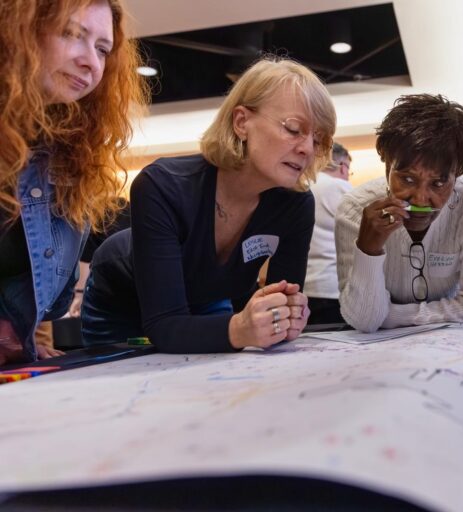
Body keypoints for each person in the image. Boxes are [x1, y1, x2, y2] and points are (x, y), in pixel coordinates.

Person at [81, 57, 336, 352]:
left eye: (318, 140)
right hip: (120, 302)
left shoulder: (295, 205)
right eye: (293, 129)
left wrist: (287, 316)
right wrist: (243, 327)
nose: (307, 149)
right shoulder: (162, 186)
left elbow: (280, 305)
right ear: (241, 122)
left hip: (206, 300)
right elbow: (165, 325)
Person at [0, 0, 146, 364]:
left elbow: (41, 292)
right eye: (72, 34)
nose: (91, 62)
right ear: (19, 31)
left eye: (102, 49)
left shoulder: (69, 163)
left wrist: (16, 331)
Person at [335, 94, 463, 332]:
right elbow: (364, 320)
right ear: (386, 164)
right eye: (407, 178)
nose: (420, 200)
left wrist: (389, 316)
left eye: (438, 184)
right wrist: (368, 250)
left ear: (458, 175)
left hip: (451, 347)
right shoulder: (354, 208)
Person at [304, 142, 353, 324]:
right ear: (341, 166)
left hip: (303, 287)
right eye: (349, 169)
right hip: (333, 286)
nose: (348, 175)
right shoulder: (340, 188)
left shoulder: (299, 185)